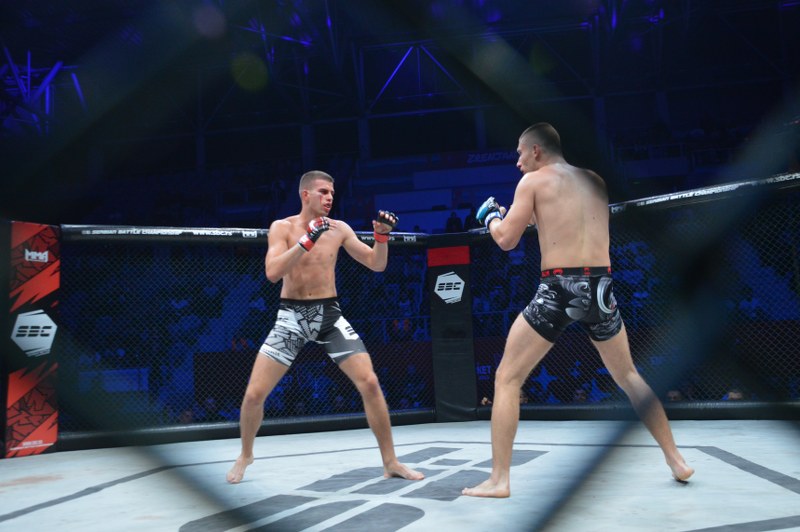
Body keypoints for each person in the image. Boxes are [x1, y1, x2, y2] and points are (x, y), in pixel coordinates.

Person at [463, 123, 694, 498]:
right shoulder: (594, 180)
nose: (517, 163)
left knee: (506, 378)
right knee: (629, 376)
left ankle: (499, 480)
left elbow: (505, 240)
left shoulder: (532, 182)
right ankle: (677, 460)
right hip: (601, 288)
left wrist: (490, 217)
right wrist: (513, 213)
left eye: (520, 153)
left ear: (536, 150)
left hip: (559, 288)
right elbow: (563, 221)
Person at [226, 170, 424, 484]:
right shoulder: (282, 227)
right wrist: (307, 240)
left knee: (370, 383)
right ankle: (245, 454)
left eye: (332, 192)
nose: (330, 197)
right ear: (305, 195)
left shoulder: (339, 229)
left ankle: (391, 462)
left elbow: (376, 263)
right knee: (253, 396)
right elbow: (272, 272)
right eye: (323, 192)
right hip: (291, 318)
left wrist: (382, 237)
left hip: (329, 316)